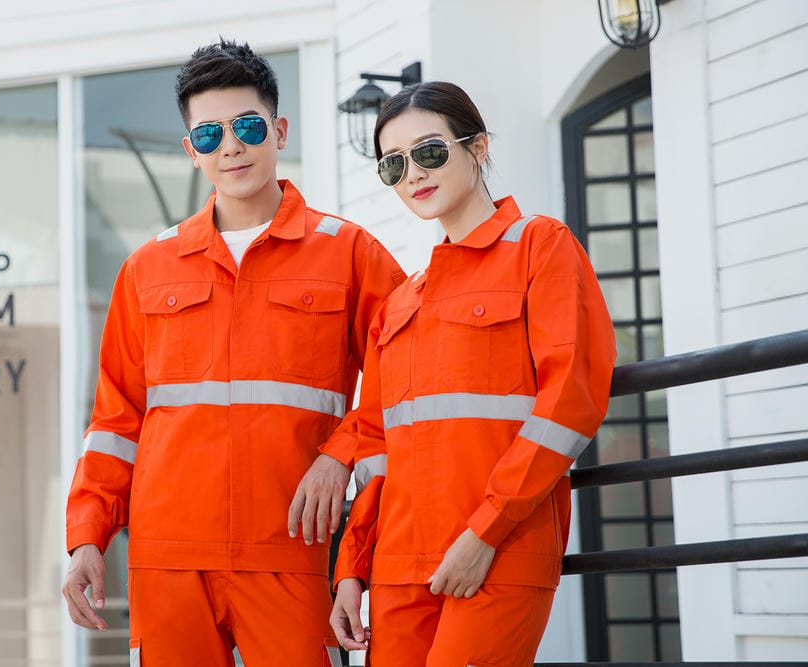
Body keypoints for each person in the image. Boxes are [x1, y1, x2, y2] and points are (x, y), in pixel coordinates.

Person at [62, 39, 404, 667]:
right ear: (190, 150)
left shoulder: (350, 253)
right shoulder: (148, 268)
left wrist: (341, 454)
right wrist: (87, 535)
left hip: (294, 548)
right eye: (209, 134)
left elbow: (407, 378)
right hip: (168, 557)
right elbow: (115, 420)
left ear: (279, 130)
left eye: (247, 126)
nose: (231, 147)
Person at [329, 81, 617, 667]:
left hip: (498, 552)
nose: (413, 173)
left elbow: (571, 398)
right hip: (397, 567)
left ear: (478, 147)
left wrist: (486, 531)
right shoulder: (401, 303)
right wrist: (352, 569)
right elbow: (374, 445)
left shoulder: (540, 246)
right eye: (393, 164)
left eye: (429, 151)